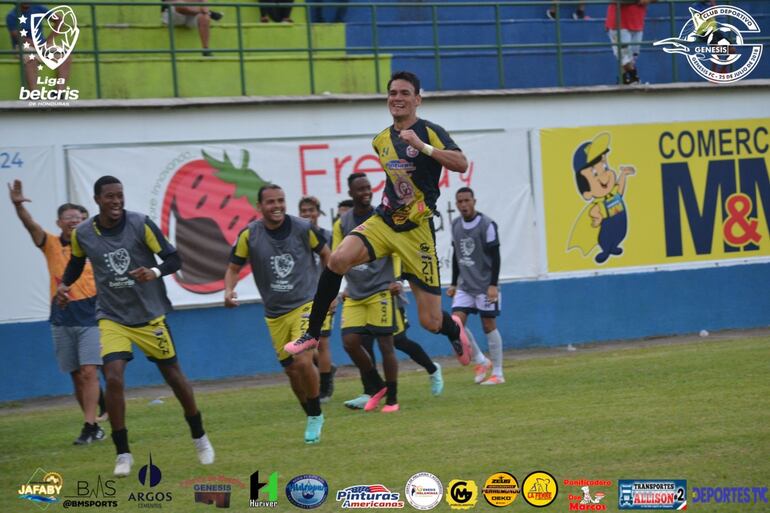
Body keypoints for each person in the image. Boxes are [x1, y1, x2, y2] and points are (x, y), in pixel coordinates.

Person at [283, 71, 472, 367]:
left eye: (405, 93)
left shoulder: (429, 131)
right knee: (336, 260)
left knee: (431, 321)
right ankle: (310, 333)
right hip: (384, 221)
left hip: (417, 232)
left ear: (417, 100)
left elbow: (461, 163)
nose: (398, 98)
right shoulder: (381, 140)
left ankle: (454, 329)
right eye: (393, 93)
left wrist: (423, 147)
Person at [56, 175, 215, 477]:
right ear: (97, 200)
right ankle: (123, 453)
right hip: (112, 316)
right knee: (113, 377)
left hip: (149, 315)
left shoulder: (140, 223)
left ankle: (199, 436)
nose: (116, 201)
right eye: (110, 196)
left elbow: (174, 258)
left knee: (174, 376)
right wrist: (65, 285)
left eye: (120, 195)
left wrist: (154, 272)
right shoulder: (84, 233)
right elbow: (77, 262)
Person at [225, 184, 330, 443]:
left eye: (281, 200)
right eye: (271, 202)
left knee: (304, 360)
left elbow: (328, 256)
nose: (277, 206)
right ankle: (310, 414)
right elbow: (233, 269)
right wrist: (229, 291)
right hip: (275, 314)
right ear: (259, 207)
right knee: (292, 372)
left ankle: (316, 415)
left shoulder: (304, 228)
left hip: (306, 304)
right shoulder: (249, 235)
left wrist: (328, 293)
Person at [8, 180, 106, 445]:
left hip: (90, 313)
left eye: (79, 217)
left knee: (88, 371)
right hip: (62, 315)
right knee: (76, 374)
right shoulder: (50, 243)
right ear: (59, 222)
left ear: (86, 220)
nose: (74, 221)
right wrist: (18, 207)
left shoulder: (95, 244)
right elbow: (31, 227)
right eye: (68, 218)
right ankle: (93, 418)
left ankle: (90, 426)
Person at [339, 173, 443, 410]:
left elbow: (400, 247)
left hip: (385, 290)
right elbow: (339, 254)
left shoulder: (385, 217)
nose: (366, 193)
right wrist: (343, 286)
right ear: (350, 193)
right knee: (357, 341)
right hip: (357, 292)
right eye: (360, 189)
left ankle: (430, 369)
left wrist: (398, 279)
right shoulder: (344, 222)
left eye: (368, 188)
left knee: (398, 341)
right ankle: (372, 390)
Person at [447, 187, 505, 385]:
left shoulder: (487, 224)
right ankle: (481, 360)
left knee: (488, 326)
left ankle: (498, 373)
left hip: (485, 285)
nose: (464, 205)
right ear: (456, 204)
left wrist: (493, 285)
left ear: (474, 201)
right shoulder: (455, 225)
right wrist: (454, 283)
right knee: (456, 324)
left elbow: (496, 256)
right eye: (460, 202)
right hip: (465, 285)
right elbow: (456, 255)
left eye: (467, 200)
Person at [298, 195, 336, 403]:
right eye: (303, 211)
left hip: (324, 294)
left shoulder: (328, 237)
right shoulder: (296, 236)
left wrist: (333, 294)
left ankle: (325, 388)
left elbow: (338, 264)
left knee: (322, 343)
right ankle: (328, 368)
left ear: (318, 213)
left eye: (311, 210)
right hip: (302, 298)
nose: (307, 214)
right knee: (303, 344)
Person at [6, 3, 72, 90]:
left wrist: (49, 39)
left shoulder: (38, 8)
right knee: (30, 58)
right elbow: (18, 36)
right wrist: (37, 45)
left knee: (65, 55)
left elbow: (59, 20)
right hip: (23, 46)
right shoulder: (12, 15)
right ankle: (35, 94)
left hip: (41, 45)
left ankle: (59, 92)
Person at [606, 0, 656, 85]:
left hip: (637, 23)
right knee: (624, 56)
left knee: (632, 56)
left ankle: (623, 79)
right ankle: (635, 78)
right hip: (618, 24)